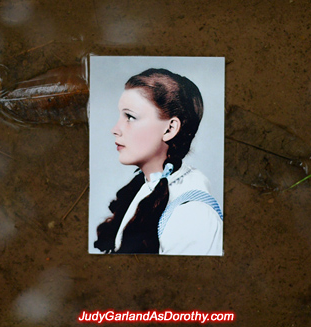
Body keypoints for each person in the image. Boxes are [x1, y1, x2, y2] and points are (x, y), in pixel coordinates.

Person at [94, 68, 223, 255]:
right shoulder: (147, 185)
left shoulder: (192, 215)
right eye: (120, 116)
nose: (115, 129)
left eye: (130, 117)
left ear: (170, 128)